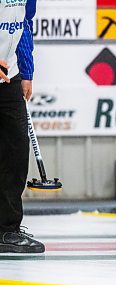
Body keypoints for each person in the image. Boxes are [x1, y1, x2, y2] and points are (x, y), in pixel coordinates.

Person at [0, 0, 44, 253]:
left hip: (9, 76)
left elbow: (24, 25)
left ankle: (7, 229)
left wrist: (26, 72)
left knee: (15, 151)